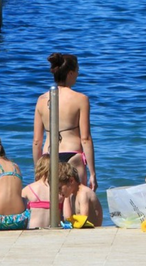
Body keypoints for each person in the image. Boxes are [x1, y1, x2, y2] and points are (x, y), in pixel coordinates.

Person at [33, 53, 97, 190]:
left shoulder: (42, 100)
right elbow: (85, 138)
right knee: (75, 205)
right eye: (77, 71)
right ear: (70, 73)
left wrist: (38, 170)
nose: (78, 75)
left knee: (54, 204)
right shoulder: (81, 99)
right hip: (73, 154)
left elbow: (37, 141)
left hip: (48, 156)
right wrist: (92, 173)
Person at [22, 154, 67, 229]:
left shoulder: (28, 189)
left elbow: (20, 215)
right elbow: (66, 216)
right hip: (55, 230)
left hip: (33, 230)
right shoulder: (60, 190)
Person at [58, 161, 103, 226]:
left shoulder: (83, 194)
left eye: (60, 188)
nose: (59, 192)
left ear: (71, 181)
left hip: (93, 232)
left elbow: (83, 220)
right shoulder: (73, 195)